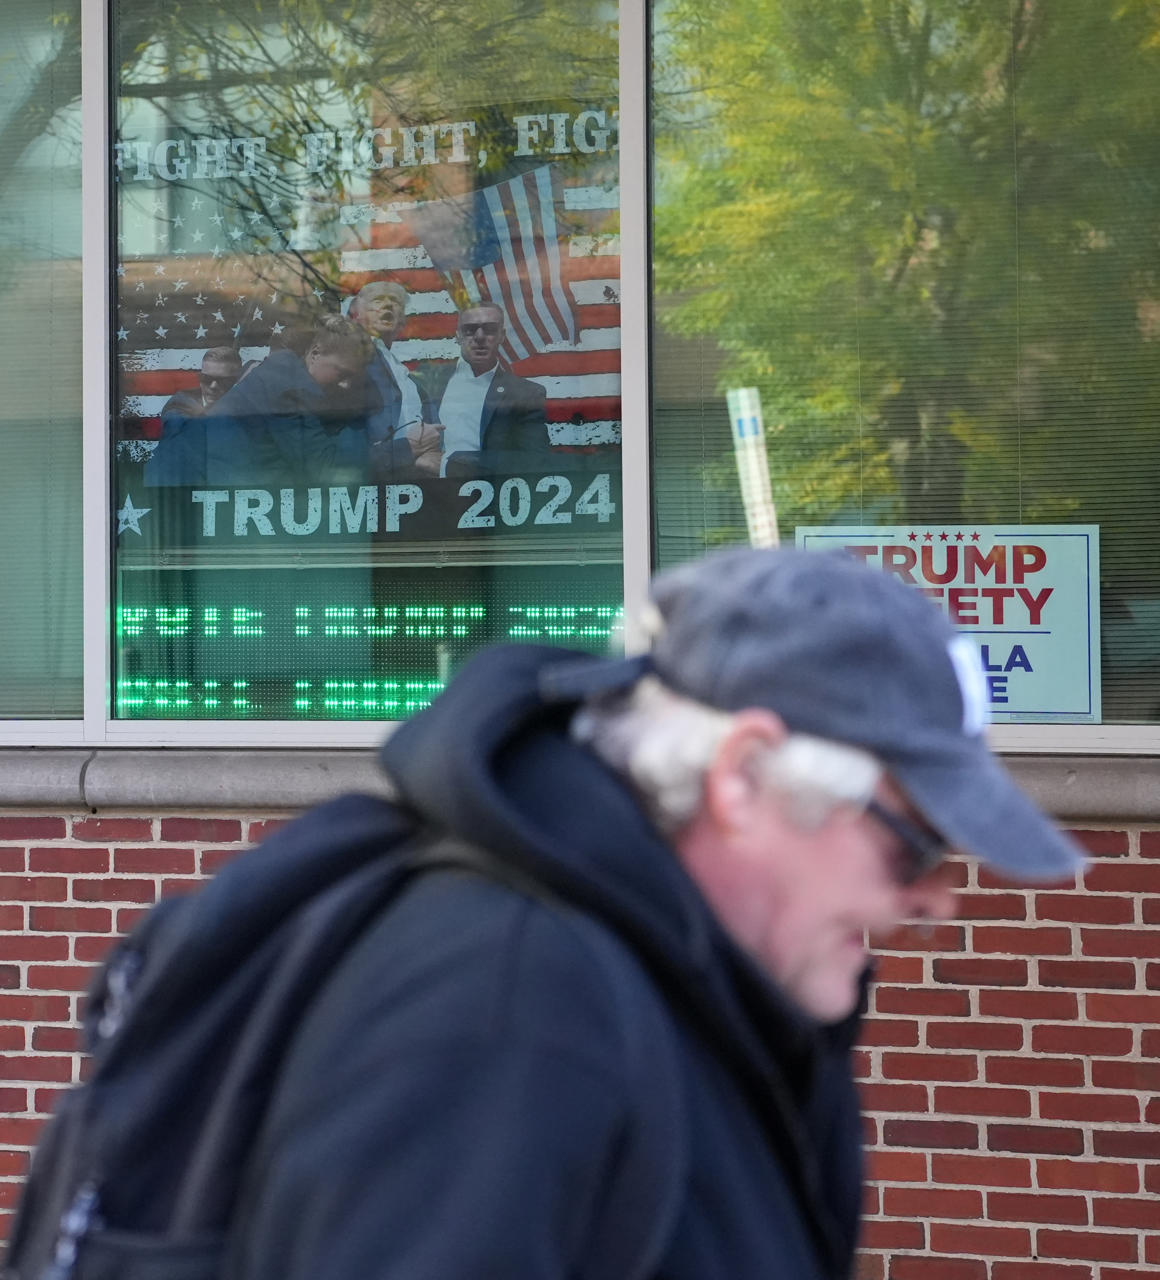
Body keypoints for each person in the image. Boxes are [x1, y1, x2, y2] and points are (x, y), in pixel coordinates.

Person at [226, 547, 1086, 1279]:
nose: (938, 898)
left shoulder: (710, 995)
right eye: (914, 843)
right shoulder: (512, 1013)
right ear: (742, 777)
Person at [150, 314, 375, 487]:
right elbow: (325, 470)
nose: (346, 385)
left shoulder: (286, 375)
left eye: (353, 378)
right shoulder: (288, 391)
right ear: (315, 354)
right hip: (184, 490)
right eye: (342, 373)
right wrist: (403, 449)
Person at [413, 304, 556, 477]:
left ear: (501, 335)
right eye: (470, 330)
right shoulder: (427, 380)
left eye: (489, 329)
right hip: (426, 493)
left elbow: (534, 460)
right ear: (458, 335)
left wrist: (448, 466)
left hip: (491, 495)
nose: (479, 337)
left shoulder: (526, 393)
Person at [349, 280, 441, 478]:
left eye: (395, 301)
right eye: (378, 300)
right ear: (360, 315)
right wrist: (408, 450)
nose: (388, 305)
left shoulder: (407, 377)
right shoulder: (353, 356)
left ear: (402, 320)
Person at [162, 346, 244, 420]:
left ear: (236, 380)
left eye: (222, 381)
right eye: (207, 378)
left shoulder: (244, 404)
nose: (213, 386)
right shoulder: (179, 405)